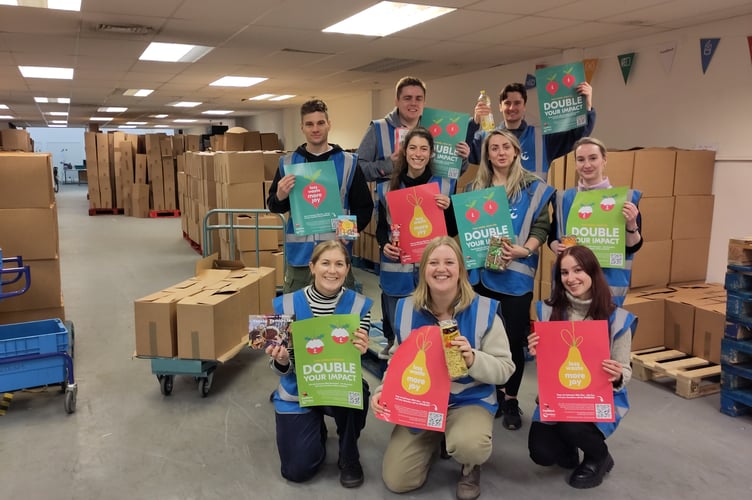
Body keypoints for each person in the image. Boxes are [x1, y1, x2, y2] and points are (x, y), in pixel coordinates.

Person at [370, 236, 515, 500]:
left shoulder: (484, 309)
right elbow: (396, 361)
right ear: (423, 269)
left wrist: (473, 359)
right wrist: (383, 391)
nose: (441, 269)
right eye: (433, 262)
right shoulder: (405, 308)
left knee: (470, 445)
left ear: (461, 269)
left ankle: (470, 467)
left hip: (468, 400)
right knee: (398, 481)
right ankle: (436, 439)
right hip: (420, 403)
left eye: (449, 262)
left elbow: (505, 368)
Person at [465, 129, 555, 430]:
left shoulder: (534, 188)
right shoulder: (473, 188)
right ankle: (487, 394)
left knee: (514, 341)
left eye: (506, 147)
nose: (500, 152)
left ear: (516, 151)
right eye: (494, 148)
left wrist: (524, 250)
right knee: (481, 337)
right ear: (487, 154)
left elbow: (542, 227)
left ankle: (511, 398)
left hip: (515, 278)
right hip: (479, 276)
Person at [527, 245, 636, 489]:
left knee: (572, 423)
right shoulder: (547, 311)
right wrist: (536, 351)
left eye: (578, 270)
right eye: (564, 273)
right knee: (541, 453)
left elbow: (625, 371)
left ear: (592, 272)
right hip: (559, 396)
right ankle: (569, 445)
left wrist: (618, 374)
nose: (571, 278)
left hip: (599, 397)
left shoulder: (617, 318)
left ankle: (599, 456)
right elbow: (551, 369)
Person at [266, 240, 373, 488]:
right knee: (297, 471)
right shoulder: (286, 304)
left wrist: (361, 350)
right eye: (325, 263)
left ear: (347, 268)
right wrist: (281, 361)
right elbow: (278, 367)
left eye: (339, 264)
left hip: (337, 385)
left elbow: (352, 359)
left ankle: (349, 455)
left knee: (359, 391)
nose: (332, 271)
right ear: (312, 267)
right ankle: (315, 427)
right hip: (297, 390)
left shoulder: (359, 306)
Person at [267, 99, 374, 293]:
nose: (315, 129)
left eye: (320, 123)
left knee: (340, 319)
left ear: (329, 124)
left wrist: (348, 232)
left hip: (337, 257)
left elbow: (364, 207)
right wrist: (281, 195)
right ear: (302, 127)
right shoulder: (288, 163)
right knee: (297, 318)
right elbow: (274, 206)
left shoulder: (349, 163)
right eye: (309, 124)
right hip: (300, 259)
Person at [376, 127, 458, 359]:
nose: (418, 153)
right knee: (399, 338)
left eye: (424, 148)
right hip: (397, 271)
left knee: (432, 334)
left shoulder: (444, 187)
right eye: (413, 148)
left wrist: (449, 209)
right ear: (405, 151)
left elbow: (450, 232)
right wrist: (384, 245)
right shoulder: (385, 188)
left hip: (431, 271)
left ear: (431, 153)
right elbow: (382, 227)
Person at [548, 137, 643, 306]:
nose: (587, 165)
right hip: (571, 286)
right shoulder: (563, 199)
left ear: (604, 160)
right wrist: (557, 246)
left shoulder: (625, 199)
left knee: (603, 332)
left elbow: (633, 246)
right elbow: (552, 237)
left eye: (593, 158)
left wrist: (631, 225)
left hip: (608, 285)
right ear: (575, 163)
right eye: (581, 159)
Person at [467, 82, 595, 179]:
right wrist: (474, 123)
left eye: (517, 103)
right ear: (500, 107)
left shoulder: (543, 138)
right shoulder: (487, 139)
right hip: (498, 210)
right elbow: (460, 153)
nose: (512, 108)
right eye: (507, 103)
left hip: (535, 210)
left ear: (524, 107)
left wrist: (586, 106)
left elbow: (576, 136)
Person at [356, 76, 469, 182]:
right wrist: (389, 165)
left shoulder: (436, 130)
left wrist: (461, 159)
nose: (413, 103)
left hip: (429, 199)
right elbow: (356, 170)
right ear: (396, 101)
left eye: (418, 99)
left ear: (424, 102)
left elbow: (451, 173)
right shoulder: (378, 129)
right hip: (389, 201)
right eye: (407, 98)